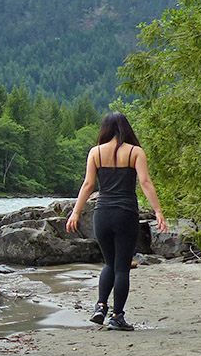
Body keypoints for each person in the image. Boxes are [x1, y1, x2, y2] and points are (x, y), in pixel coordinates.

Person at [66, 112, 166, 331]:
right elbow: (145, 182)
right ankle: (117, 317)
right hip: (125, 214)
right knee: (121, 267)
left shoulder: (95, 153)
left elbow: (88, 185)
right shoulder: (135, 152)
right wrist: (158, 211)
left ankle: (100, 307)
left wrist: (75, 213)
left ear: (105, 129)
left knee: (109, 263)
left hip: (102, 214)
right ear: (126, 129)